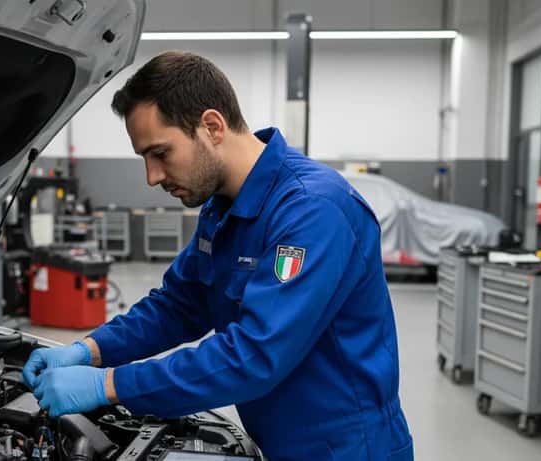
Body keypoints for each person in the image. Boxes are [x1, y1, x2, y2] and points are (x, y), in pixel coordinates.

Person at [22, 51, 413, 461]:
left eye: (161, 153)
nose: (152, 177)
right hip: (278, 441)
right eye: (145, 159)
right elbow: (179, 305)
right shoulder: (224, 207)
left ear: (212, 126)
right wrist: (89, 350)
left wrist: (108, 385)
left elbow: (254, 356)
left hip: (349, 449)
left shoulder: (312, 210)